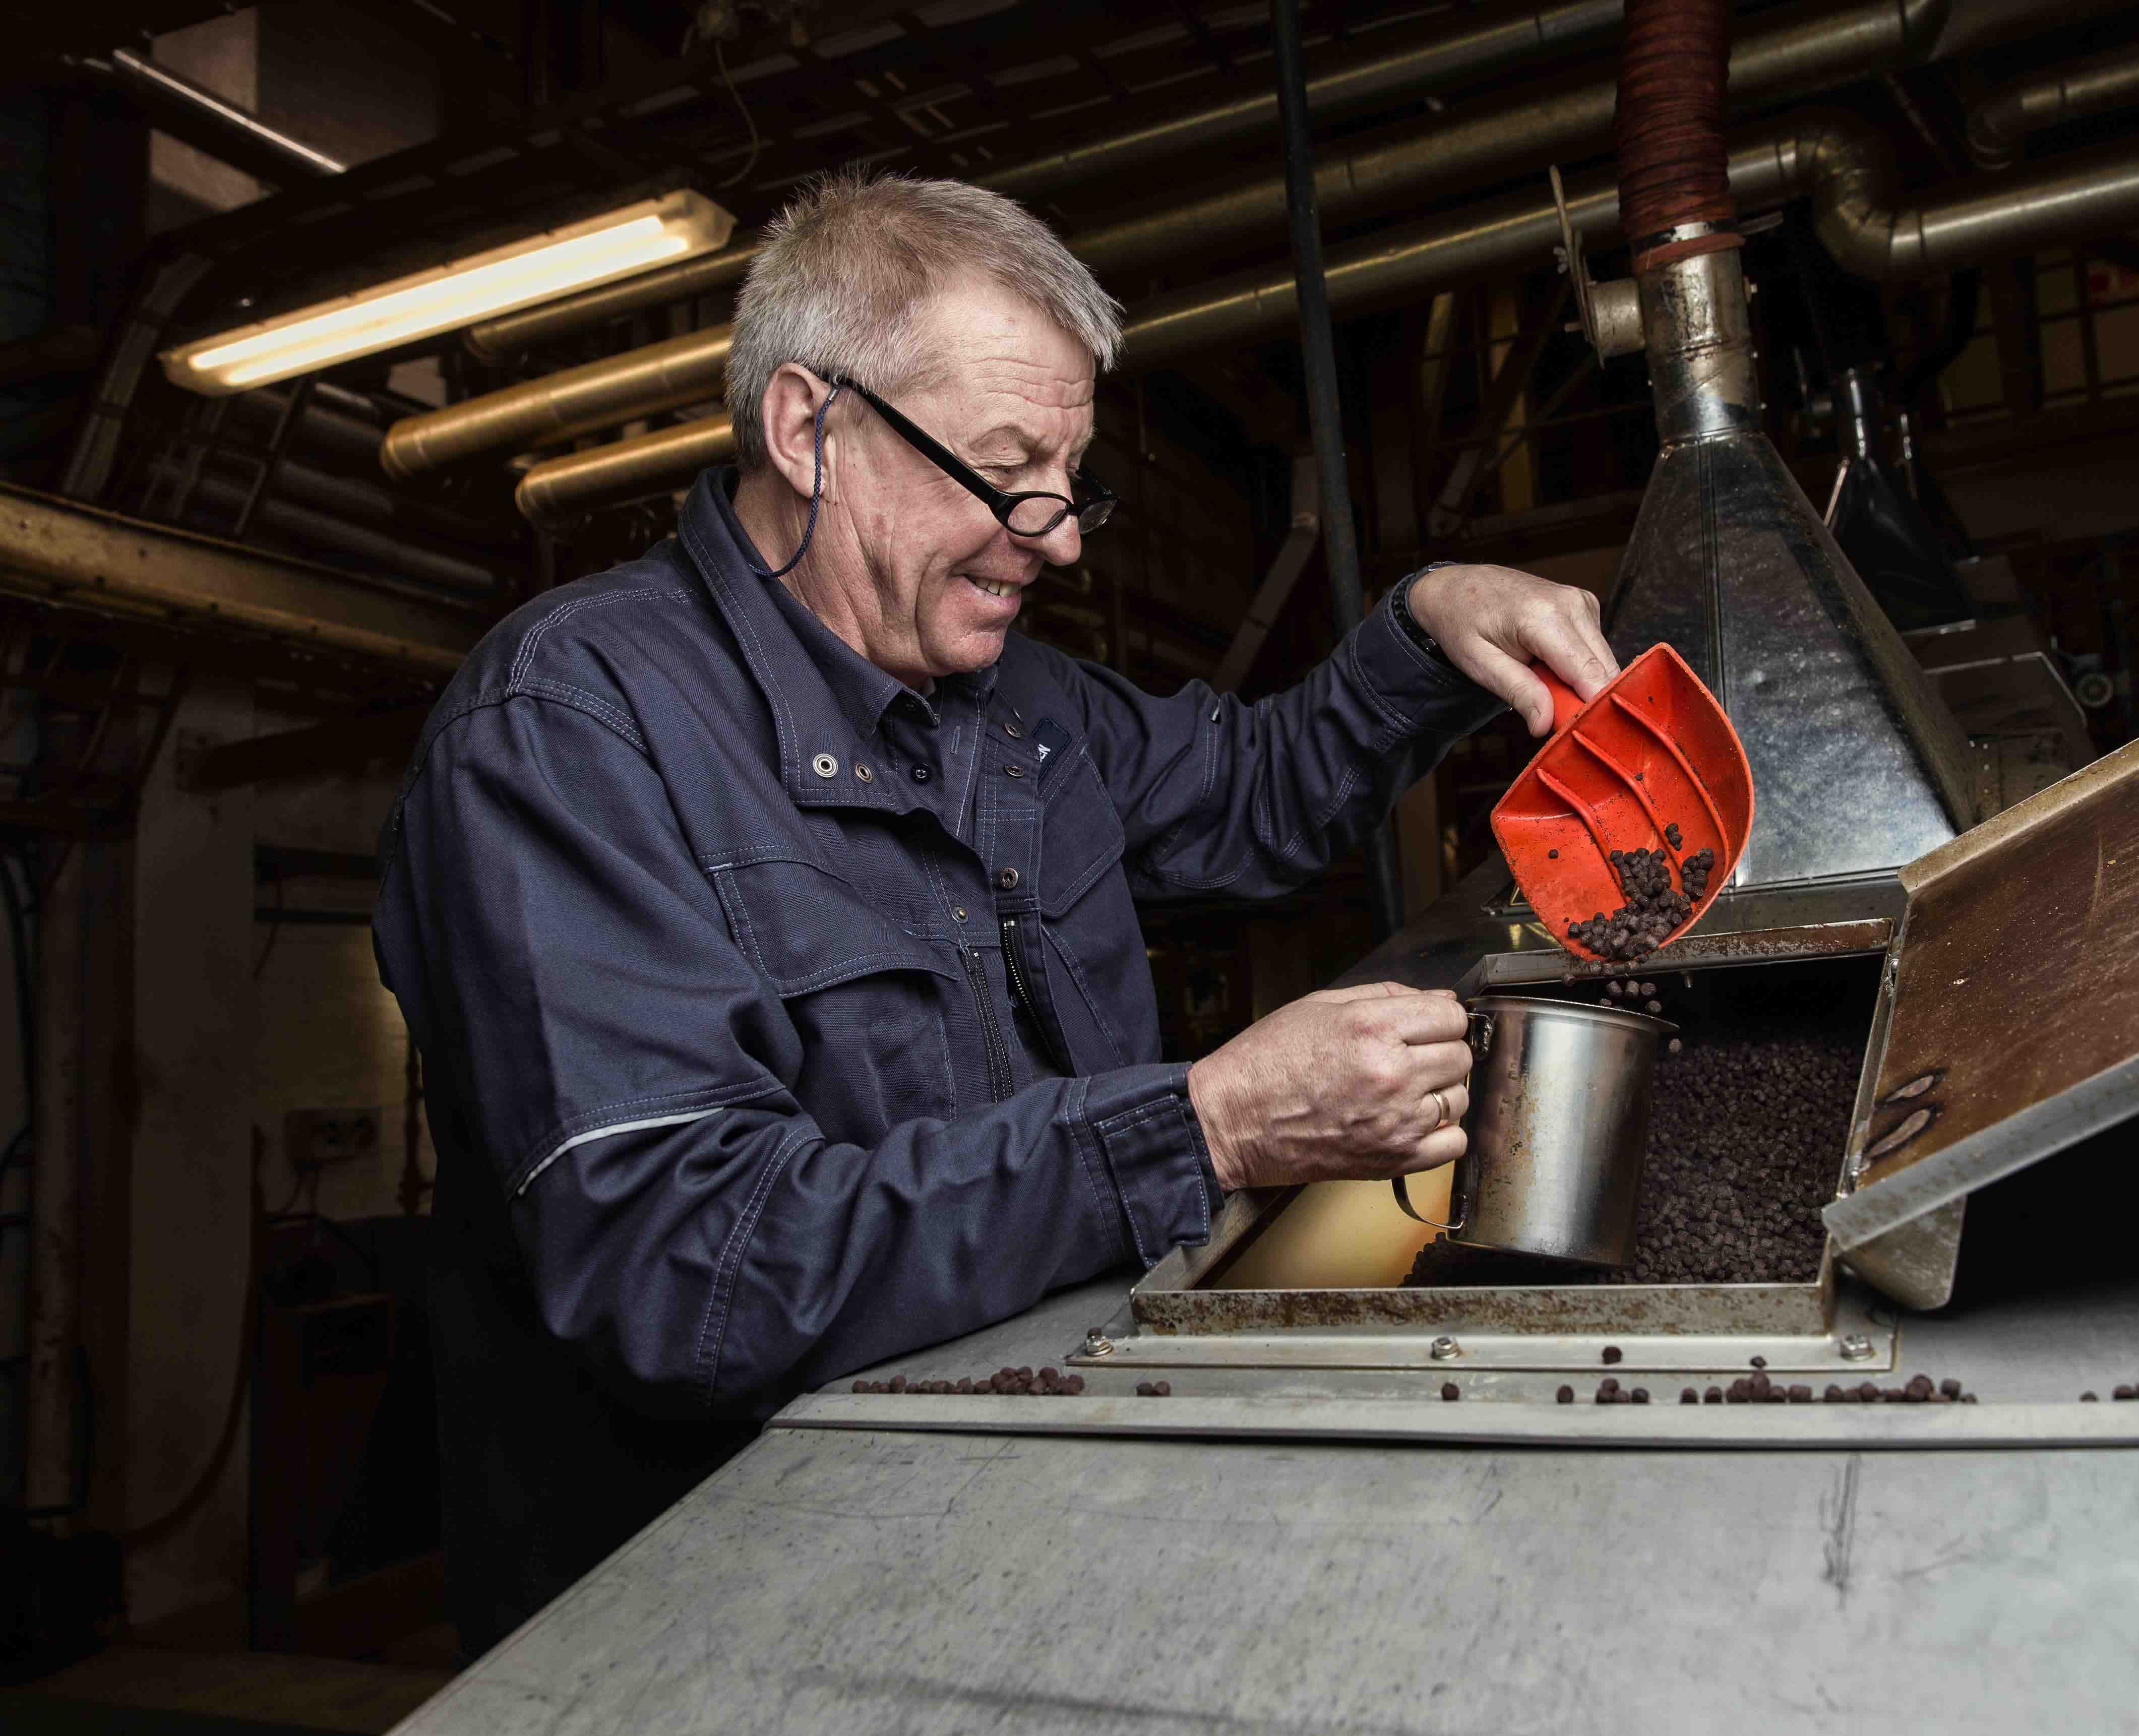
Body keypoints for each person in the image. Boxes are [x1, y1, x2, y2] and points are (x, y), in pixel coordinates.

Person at [374, 171, 1617, 1653]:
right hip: (716, 1612)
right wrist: (1204, 1129)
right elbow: (685, 1264)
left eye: (1070, 480)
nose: (1061, 536)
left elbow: (1252, 795)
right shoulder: (569, 732)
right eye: (1005, 472)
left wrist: (1426, 629)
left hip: (1026, 1523)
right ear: (806, 429)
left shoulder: (1013, 701)